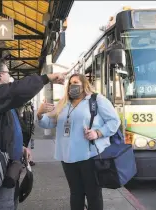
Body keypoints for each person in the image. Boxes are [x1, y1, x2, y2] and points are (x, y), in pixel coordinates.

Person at [0, 57, 67, 210]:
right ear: (0, 75)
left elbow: (4, 130)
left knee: (9, 202)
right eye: (7, 72)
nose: (10, 76)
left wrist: (20, 148)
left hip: (8, 163)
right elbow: (19, 89)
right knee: (1, 204)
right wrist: (48, 77)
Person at [37, 74, 120, 210]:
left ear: (84, 84)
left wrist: (97, 133)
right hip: (67, 156)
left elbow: (114, 121)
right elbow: (49, 123)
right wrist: (40, 114)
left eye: (75, 82)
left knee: (93, 194)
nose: (72, 85)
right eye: (70, 83)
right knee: (76, 193)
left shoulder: (96, 100)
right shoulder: (63, 103)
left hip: (89, 155)